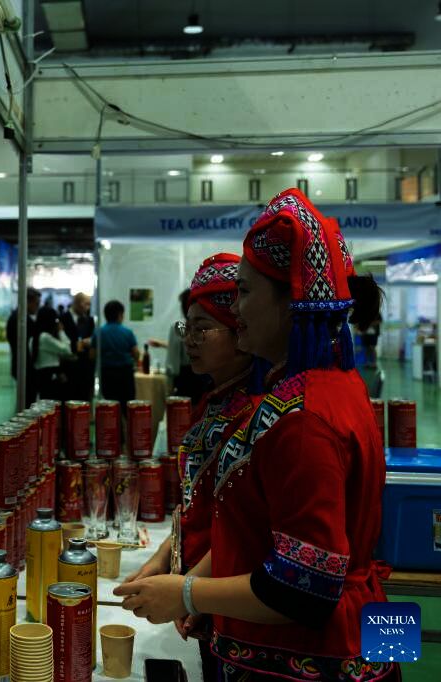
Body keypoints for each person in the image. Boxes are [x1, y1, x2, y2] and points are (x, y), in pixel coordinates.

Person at [114, 189, 396, 681]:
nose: (236, 307)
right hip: (352, 638)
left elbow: (306, 586)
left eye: (244, 292)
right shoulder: (331, 387)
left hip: (315, 658)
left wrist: (186, 593)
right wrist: (189, 582)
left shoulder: (304, 418)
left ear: (291, 301)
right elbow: (255, 531)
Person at [122, 253, 257, 681]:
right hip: (210, 600)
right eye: (187, 328)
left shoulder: (263, 414)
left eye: (202, 329)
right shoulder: (217, 401)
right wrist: (165, 558)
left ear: (242, 330)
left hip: (242, 609)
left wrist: (186, 590)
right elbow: (204, 505)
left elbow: (250, 528)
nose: (189, 341)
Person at [150, 289, 209, 401]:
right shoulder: (207, 325)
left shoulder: (180, 326)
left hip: (186, 379)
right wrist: (162, 344)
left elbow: (173, 362)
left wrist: (169, 385)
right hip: (205, 376)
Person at [96, 300, 140, 413]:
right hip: (125, 374)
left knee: (110, 407)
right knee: (127, 407)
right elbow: (136, 353)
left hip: (107, 374)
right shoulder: (127, 332)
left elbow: (92, 354)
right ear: (120, 314)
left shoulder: (99, 332)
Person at [6, 287, 41, 406]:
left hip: (24, 366)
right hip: (25, 367)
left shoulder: (19, 317)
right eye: (36, 304)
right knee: (28, 402)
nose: (37, 307)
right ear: (28, 302)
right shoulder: (20, 320)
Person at [34, 306, 76, 401]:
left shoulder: (36, 335)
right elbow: (67, 349)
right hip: (49, 375)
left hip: (42, 374)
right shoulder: (45, 337)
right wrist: (61, 331)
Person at [60, 292, 96, 400]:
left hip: (86, 368)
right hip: (68, 366)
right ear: (76, 303)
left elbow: (93, 338)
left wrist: (89, 341)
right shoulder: (63, 318)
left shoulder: (90, 320)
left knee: (84, 400)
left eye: (89, 304)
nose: (88, 307)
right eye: (86, 304)